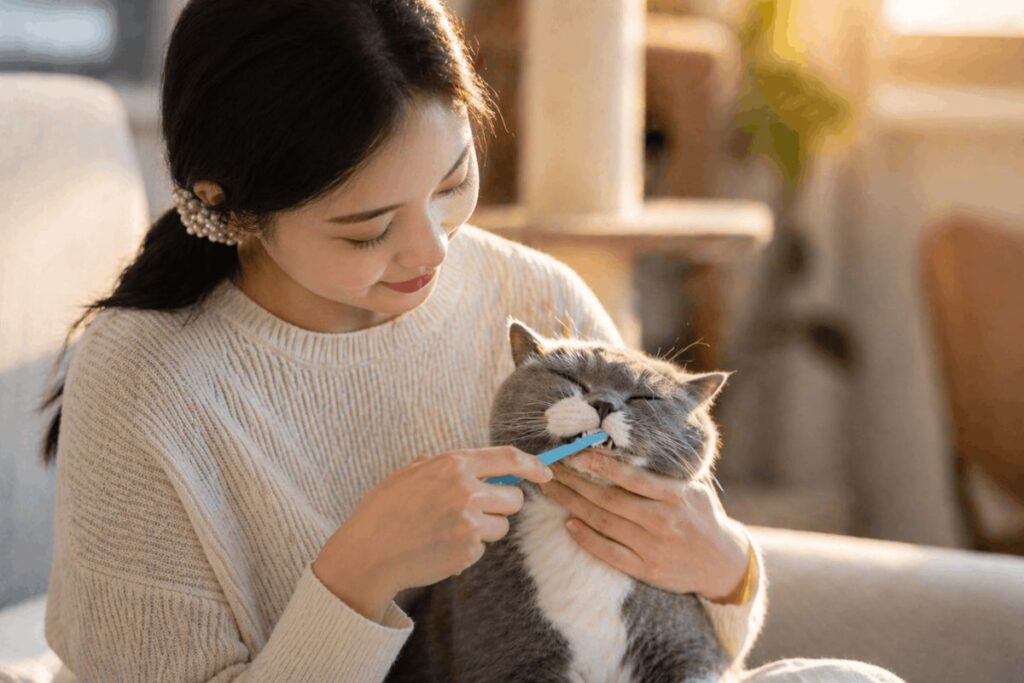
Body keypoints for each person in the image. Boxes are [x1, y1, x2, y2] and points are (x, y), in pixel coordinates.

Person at [38, 1, 904, 681]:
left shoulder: (533, 298)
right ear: (231, 207)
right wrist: (358, 575)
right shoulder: (145, 372)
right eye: (366, 230)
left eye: (453, 182)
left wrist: (725, 568)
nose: (434, 250)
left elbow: (684, 640)